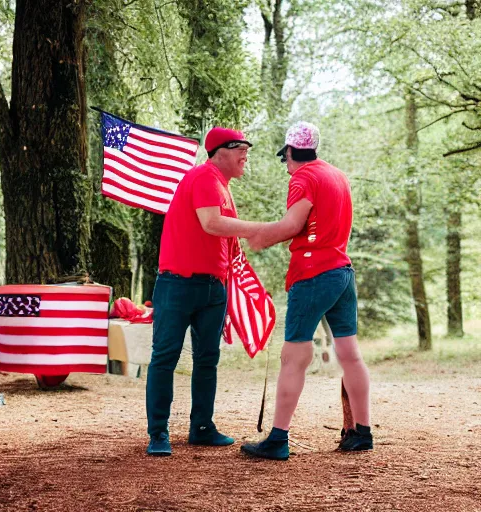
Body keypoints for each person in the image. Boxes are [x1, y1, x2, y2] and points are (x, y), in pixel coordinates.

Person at [241, 121, 373, 461]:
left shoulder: (303, 178)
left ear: (289, 152)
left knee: (294, 356)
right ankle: (362, 432)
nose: (285, 166)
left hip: (314, 273)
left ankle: (278, 439)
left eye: (284, 158)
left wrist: (260, 236)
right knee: (350, 354)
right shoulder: (337, 176)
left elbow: (292, 225)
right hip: (343, 271)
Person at [146, 126, 263, 456]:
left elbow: (226, 241)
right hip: (178, 284)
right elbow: (211, 224)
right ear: (219, 151)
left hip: (214, 288)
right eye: (240, 148)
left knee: (207, 359)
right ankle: (158, 434)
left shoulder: (223, 187)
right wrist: (259, 229)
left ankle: (201, 427)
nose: (245, 154)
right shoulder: (203, 177)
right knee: (165, 357)